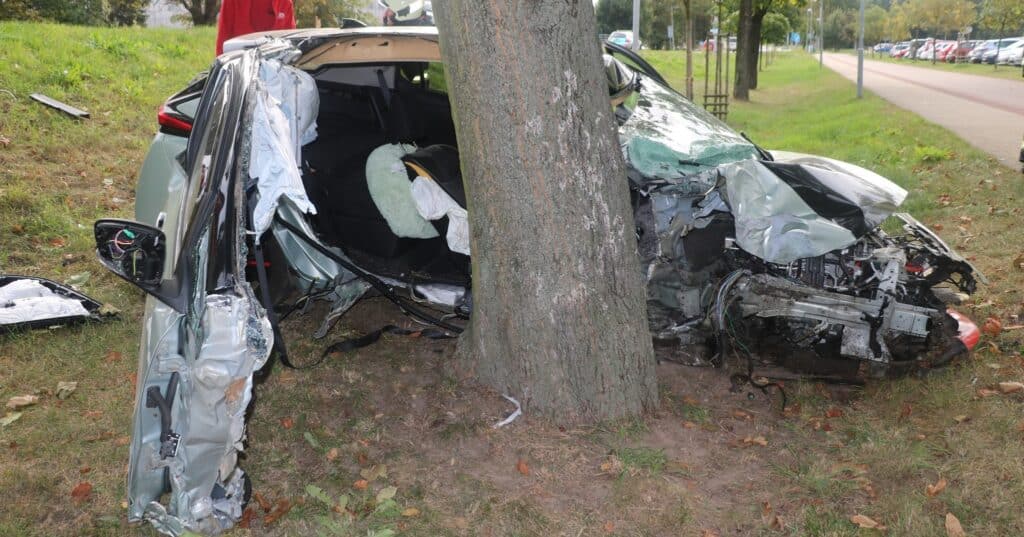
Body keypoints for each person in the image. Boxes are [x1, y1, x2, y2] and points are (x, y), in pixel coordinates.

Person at [215, 0, 296, 56]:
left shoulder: (285, 2)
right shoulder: (232, 1)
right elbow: (222, 43)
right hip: (239, 70)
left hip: (276, 71)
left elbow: (292, 44)